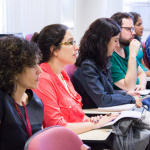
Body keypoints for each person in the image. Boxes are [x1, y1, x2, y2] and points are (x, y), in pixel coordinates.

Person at [31, 24, 119, 135]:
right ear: (54, 50)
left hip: (82, 132)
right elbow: (57, 127)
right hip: (68, 139)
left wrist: (90, 120)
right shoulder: (43, 79)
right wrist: (96, 124)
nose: (76, 47)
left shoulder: (62, 73)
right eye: (70, 43)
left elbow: (77, 113)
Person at [74, 18, 142, 109]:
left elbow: (107, 92)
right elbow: (102, 100)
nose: (117, 45)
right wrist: (130, 98)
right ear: (103, 42)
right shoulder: (87, 66)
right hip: (97, 116)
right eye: (115, 41)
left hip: (106, 113)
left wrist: (126, 93)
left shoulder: (101, 61)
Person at [0, 36, 44, 150]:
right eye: (31, 65)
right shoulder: (2, 101)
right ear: (13, 69)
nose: (40, 70)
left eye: (37, 63)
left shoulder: (36, 102)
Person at [110, 12, 147, 91]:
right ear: (116, 30)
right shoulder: (110, 55)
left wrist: (141, 85)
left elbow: (141, 73)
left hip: (137, 95)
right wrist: (133, 56)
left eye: (133, 29)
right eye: (128, 29)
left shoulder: (127, 48)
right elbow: (128, 87)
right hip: (124, 100)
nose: (133, 33)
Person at [130, 12, 150, 77]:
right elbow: (134, 71)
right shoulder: (127, 45)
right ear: (131, 27)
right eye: (139, 25)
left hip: (145, 76)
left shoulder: (138, 42)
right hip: (142, 76)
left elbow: (143, 66)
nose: (142, 27)